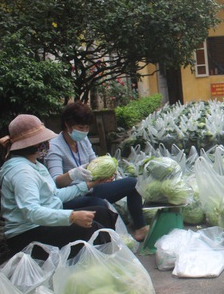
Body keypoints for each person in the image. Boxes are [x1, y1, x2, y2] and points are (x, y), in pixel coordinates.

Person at [0, 114, 117, 257]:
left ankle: (106, 261)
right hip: (27, 234)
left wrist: (90, 184)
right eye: (42, 141)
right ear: (30, 145)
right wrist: (72, 216)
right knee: (90, 228)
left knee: (102, 213)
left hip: (44, 224)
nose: (46, 144)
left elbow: (55, 195)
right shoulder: (22, 171)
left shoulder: (35, 165)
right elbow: (31, 212)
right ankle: (97, 265)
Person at [44, 102, 149, 242]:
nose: (83, 131)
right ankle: (109, 241)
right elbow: (56, 181)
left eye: (87, 128)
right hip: (71, 196)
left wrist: (106, 172)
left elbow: (94, 161)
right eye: (80, 127)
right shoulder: (54, 147)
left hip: (91, 187)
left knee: (133, 183)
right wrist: (73, 174)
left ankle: (140, 227)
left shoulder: (82, 140)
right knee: (100, 204)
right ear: (67, 125)